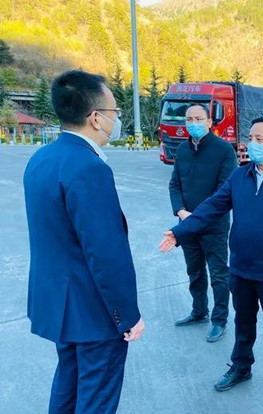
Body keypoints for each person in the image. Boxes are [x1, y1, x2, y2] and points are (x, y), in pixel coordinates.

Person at [159, 117, 263, 408]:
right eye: (250, 138)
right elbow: (212, 207)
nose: (251, 144)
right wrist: (180, 232)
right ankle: (241, 366)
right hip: (241, 268)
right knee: (243, 322)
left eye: (259, 139)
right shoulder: (240, 177)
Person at [23, 70, 145, 414]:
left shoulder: (42, 158)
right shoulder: (89, 168)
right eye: (114, 112)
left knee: (68, 384)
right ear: (95, 118)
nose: (116, 119)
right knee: (96, 398)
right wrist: (127, 315)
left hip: (61, 306)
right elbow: (106, 254)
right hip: (93, 312)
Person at [169, 104, 237, 342]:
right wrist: (180, 211)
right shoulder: (182, 150)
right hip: (187, 222)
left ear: (209, 122)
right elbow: (175, 184)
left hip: (214, 225)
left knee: (218, 274)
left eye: (199, 119)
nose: (194, 123)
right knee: (194, 271)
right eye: (189, 119)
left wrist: (197, 217)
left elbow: (224, 191)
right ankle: (199, 312)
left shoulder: (224, 150)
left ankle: (219, 320)